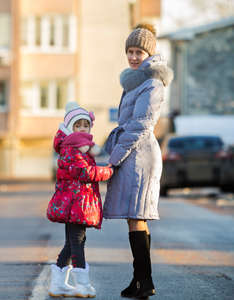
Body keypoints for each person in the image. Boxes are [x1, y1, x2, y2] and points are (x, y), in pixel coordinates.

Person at [103, 24, 174, 299]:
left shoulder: (152, 83)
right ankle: (140, 280)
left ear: (149, 53)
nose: (133, 57)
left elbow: (140, 125)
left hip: (140, 156)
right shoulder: (136, 80)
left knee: (137, 217)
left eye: (139, 51)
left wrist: (114, 160)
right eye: (130, 51)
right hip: (134, 153)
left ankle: (144, 281)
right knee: (136, 219)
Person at [47, 101, 114, 298]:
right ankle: (82, 285)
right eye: (78, 125)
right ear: (70, 128)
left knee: (72, 243)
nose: (83, 128)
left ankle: (57, 284)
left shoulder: (80, 149)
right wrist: (108, 171)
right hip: (74, 203)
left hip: (77, 203)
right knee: (77, 242)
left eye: (86, 125)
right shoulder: (71, 148)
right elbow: (83, 172)